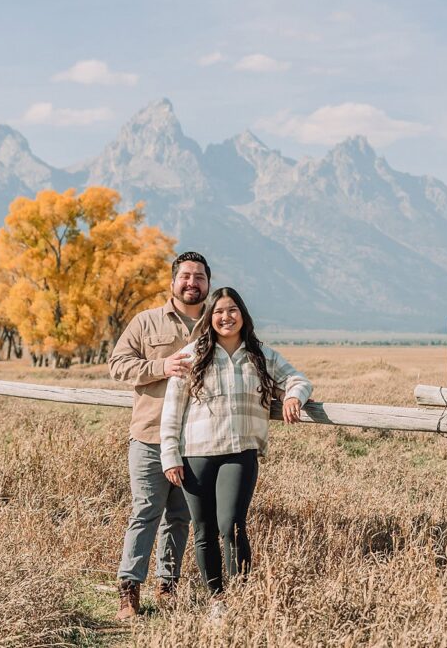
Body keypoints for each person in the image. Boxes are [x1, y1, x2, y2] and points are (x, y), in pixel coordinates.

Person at [160, 286, 312, 608]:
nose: (226, 317)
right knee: (203, 529)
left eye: (232, 310)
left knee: (232, 525)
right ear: (209, 317)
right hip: (196, 454)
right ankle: (217, 600)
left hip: (240, 452)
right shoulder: (192, 354)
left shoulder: (262, 355)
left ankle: (241, 597)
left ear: (242, 314)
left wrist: (293, 396)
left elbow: (297, 379)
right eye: (218, 312)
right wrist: (170, 455)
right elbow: (172, 409)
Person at [108, 251, 211, 620]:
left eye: (199, 277)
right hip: (149, 436)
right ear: (172, 282)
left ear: (208, 284)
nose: (192, 283)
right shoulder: (146, 322)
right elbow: (117, 366)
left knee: (180, 518)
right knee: (145, 512)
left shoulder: (216, 325)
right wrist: (161, 367)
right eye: (185, 276)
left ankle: (168, 586)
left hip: (198, 442)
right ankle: (128, 593)